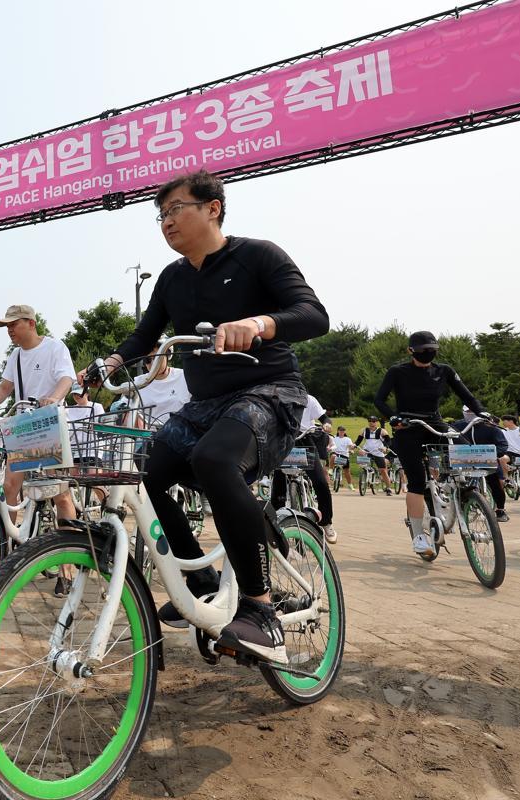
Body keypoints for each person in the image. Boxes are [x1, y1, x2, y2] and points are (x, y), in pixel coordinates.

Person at [91, 169, 328, 663]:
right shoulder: (173, 278)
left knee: (215, 462)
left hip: (269, 392)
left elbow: (312, 314)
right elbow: (144, 336)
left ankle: (261, 612)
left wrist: (259, 323)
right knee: (149, 471)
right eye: (161, 215)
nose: (166, 222)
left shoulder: (259, 254)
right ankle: (200, 580)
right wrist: (110, 362)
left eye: (176, 208)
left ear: (212, 207)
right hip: (204, 404)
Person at [376, 331, 489, 556]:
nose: (428, 353)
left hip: (435, 423)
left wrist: (482, 412)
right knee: (417, 481)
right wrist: (394, 417)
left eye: (432, 350)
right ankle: (419, 535)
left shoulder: (444, 370)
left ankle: (463, 490)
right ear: (411, 351)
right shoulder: (397, 371)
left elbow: (466, 395)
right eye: (422, 350)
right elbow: (379, 400)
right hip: (408, 427)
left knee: (468, 451)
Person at [0, 304, 78, 526]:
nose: (9, 330)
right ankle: (5, 544)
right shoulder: (15, 356)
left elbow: (66, 379)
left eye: (14, 324)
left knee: (60, 494)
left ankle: (68, 556)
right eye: (7, 326)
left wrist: (53, 398)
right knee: (9, 487)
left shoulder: (55, 347)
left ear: (31, 323)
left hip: (49, 424)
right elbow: (5, 388)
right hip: (23, 427)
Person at [271, 394, 337, 542]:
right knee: (278, 484)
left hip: (305, 439)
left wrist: (326, 424)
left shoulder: (309, 399)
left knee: (320, 482)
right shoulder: (277, 398)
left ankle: (326, 522)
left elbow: (324, 418)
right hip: (283, 441)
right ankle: (275, 526)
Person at [450, 407, 513, 522]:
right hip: (463, 461)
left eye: (472, 411)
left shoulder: (491, 427)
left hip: (488, 461)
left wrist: (493, 454)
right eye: (467, 412)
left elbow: (502, 444)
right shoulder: (457, 426)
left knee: (496, 483)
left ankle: (500, 509)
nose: (469, 414)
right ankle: (461, 504)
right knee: (456, 481)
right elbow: (447, 439)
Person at [136, 342, 190, 427]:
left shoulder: (185, 376)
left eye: (157, 358)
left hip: (181, 433)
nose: (153, 363)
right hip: (148, 436)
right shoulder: (138, 382)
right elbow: (122, 406)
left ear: (167, 355)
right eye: (147, 360)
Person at [354, 416, 394, 494]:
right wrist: (354, 445)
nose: (371, 423)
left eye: (373, 421)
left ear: (376, 422)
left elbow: (389, 441)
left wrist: (385, 447)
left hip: (378, 452)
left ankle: (388, 488)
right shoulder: (364, 430)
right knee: (362, 459)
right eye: (370, 421)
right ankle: (366, 474)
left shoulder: (382, 431)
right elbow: (358, 441)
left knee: (383, 470)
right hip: (367, 451)